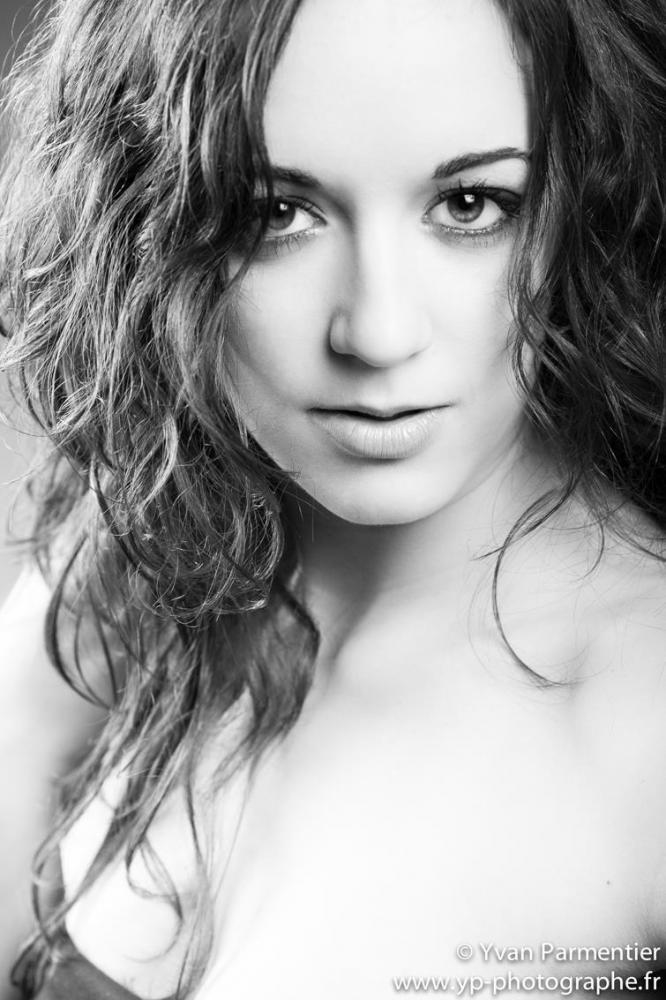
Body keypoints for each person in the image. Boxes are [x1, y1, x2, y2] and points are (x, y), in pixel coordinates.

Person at [0, 0, 665, 997]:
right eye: (276, 214)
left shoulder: (642, 731)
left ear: (582, 207)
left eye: (471, 205)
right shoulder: (130, 555)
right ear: (147, 220)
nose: (379, 331)